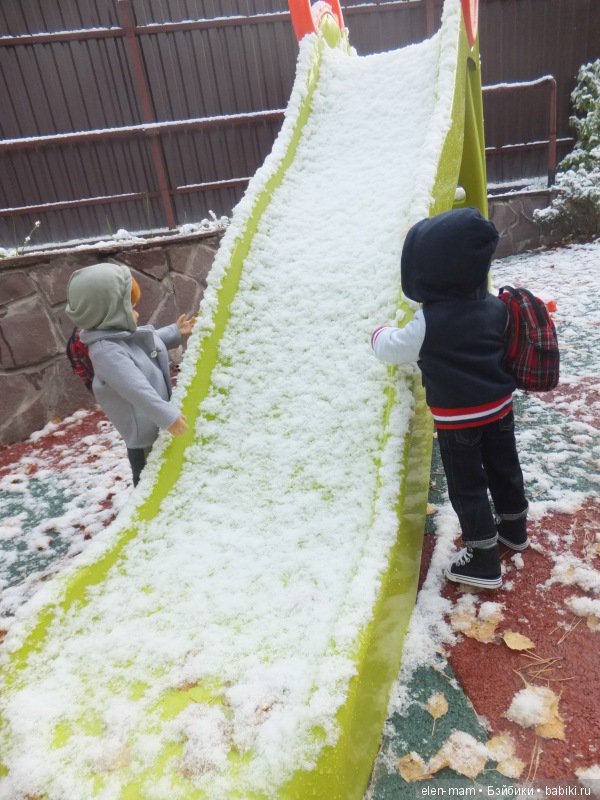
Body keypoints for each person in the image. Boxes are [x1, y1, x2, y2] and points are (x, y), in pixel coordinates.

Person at [371, 207, 528, 590]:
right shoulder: (496, 308)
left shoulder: (429, 322)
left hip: (459, 422)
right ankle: (513, 528)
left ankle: (483, 558)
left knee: (468, 486)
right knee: (504, 468)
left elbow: (394, 348)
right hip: (499, 409)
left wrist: (378, 333)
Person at [65, 262, 194, 487]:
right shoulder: (106, 351)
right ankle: (146, 514)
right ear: (108, 311)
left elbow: (143, 343)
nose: (137, 312)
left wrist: (175, 331)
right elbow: (136, 388)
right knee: (149, 477)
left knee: (163, 468)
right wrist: (168, 417)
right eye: (131, 307)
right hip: (144, 431)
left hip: (154, 418)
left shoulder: (114, 336)